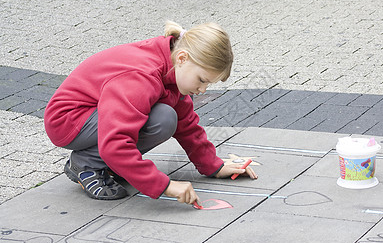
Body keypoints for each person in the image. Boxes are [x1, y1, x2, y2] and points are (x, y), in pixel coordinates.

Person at [44, 21, 257, 206]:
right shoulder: (141, 78)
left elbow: (187, 124)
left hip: (94, 114)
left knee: (166, 118)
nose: (203, 90)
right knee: (160, 119)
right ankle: (87, 163)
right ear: (182, 58)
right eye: (202, 80)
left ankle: (107, 163)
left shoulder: (172, 67)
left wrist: (214, 165)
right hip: (68, 120)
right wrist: (165, 185)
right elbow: (116, 142)